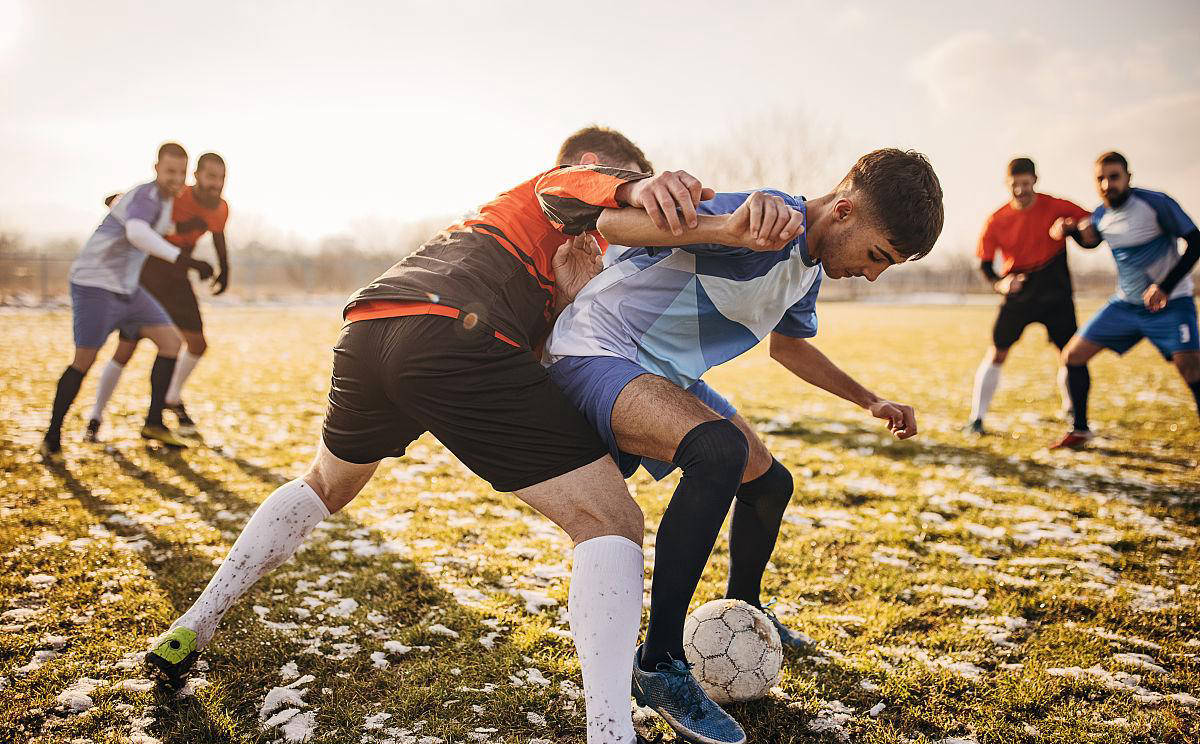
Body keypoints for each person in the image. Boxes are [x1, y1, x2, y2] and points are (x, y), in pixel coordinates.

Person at [144, 147, 779, 743]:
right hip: (452, 336)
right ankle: (610, 732)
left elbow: (526, 361)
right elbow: (575, 184)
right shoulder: (556, 186)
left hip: (371, 327)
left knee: (325, 483)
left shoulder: (495, 230)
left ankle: (193, 625)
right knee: (610, 521)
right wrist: (636, 187)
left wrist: (563, 296)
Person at [546, 148, 943, 743]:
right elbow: (614, 225)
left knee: (769, 483)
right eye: (877, 256)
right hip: (595, 349)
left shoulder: (808, 267)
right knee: (718, 454)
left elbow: (788, 347)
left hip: (663, 374)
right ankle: (659, 663)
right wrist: (726, 227)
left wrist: (869, 400)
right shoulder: (767, 217)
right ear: (843, 211)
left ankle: (744, 614)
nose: (872, 274)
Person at [40, 142, 213, 461]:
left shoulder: (165, 200)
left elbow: (155, 227)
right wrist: (185, 260)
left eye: (181, 172)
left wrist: (184, 228)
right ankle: (52, 435)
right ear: (156, 169)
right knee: (84, 360)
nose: (176, 178)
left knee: (171, 343)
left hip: (128, 289)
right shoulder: (147, 195)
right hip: (95, 285)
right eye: (169, 171)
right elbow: (137, 233)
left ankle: (153, 423)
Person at [1051, 151, 1200, 448]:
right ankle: (1080, 430)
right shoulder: (1100, 215)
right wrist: (1069, 231)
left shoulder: (1155, 203)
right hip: (1125, 306)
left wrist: (1165, 287)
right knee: (1072, 357)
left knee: (1192, 369)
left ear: (1128, 177)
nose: (1108, 184)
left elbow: (1196, 241)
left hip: (1171, 303)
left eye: (1114, 177)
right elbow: (1091, 242)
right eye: (1101, 179)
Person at [85, 152, 231, 440]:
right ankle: (95, 416)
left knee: (197, 344)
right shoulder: (175, 194)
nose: (217, 184)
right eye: (211, 177)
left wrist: (225, 269)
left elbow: (218, 235)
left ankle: (171, 397)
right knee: (126, 348)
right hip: (148, 273)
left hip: (178, 278)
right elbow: (121, 204)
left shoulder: (220, 207)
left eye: (222, 178)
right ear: (196, 176)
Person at [966, 157, 1090, 434]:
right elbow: (985, 265)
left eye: (1025, 183)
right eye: (1015, 185)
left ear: (1035, 180)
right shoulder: (996, 220)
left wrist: (1071, 228)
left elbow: (1092, 226)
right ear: (1007, 184)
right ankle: (976, 418)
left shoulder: (1057, 206)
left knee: (1069, 354)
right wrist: (1001, 284)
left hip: (1056, 293)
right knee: (997, 352)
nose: (1020, 190)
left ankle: (1073, 411)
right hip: (1019, 293)